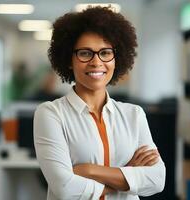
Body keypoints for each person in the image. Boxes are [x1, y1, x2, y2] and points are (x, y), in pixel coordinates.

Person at [34, 6, 165, 200]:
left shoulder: (134, 115)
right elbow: (64, 187)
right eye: (85, 53)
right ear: (69, 60)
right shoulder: (51, 113)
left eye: (105, 53)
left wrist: (88, 170)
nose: (96, 62)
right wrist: (128, 175)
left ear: (116, 58)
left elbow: (156, 180)